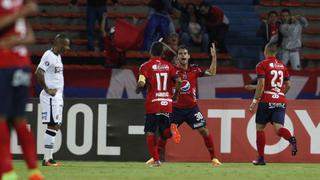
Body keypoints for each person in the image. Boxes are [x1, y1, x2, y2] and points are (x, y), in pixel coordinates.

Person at [146, 43, 222, 166]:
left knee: (204, 131)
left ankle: (214, 158)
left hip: (192, 108)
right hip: (175, 109)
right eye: (180, 54)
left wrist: (214, 57)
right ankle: (155, 158)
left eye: (185, 53)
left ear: (189, 56)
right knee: (165, 134)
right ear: (177, 57)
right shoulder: (171, 70)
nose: (183, 56)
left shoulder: (195, 69)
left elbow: (212, 72)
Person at [0, 0, 45, 180]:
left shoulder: (11, 6)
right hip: (22, 66)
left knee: (4, 118)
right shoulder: (20, 7)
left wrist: (14, 40)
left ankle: (7, 171)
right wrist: (23, 12)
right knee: (18, 119)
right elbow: (30, 35)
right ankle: (34, 171)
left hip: (6, 64)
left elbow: (29, 37)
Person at [249, 42, 297, 165]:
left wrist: (255, 101)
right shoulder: (283, 66)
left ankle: (261, 158)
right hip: (280, 100)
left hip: (266, 99)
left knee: (260, 128)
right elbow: (288, 85)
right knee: (278, 128)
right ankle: (291, 139)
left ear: (266, 51)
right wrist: (279, 95)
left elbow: (261, 84)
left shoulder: (262, 65)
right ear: (275, 52)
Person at [136, 41, 182, 167]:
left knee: (151, 132)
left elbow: (141, 82)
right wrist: (176, 95)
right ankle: (171, 130)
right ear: (162, 53)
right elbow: (178, 82)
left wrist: (138, 88)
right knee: (164, 133)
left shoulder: (145, 66)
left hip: (153, 104)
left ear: (151, 52)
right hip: (167, 103)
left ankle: (156, 161)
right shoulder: (169, 66)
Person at [35, 34, 70, 167]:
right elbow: (39, 72)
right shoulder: (48, 55)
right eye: (65, 45)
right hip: (50, 97)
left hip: (57, 96)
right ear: (58, 43)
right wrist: (47, 89)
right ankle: (46, 159)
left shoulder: (58, 56)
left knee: (57, 125)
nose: (67, 48)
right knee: (52, 125)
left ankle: (49, 158)